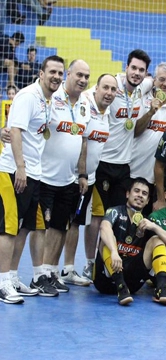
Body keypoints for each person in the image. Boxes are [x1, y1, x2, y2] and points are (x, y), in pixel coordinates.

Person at [0, 55, 64, 304]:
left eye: (60, 73)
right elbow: (14, 130)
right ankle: (3, 282)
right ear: (41, 73)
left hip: (35, 174)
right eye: (52, 72)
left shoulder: (48, 100)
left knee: (23, 229)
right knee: (7, 229)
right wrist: (21, 167)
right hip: (13, 172)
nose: (57, 77)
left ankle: (13, 277)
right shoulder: (27, 96)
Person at [84, 50, 153, 280]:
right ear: (126, 67)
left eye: (141, 70)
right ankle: (89, 263)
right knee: (97, 218)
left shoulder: (142, 90)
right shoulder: (112, 86)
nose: (136, 73)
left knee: (115, 219)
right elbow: (85, 95)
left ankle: (111, 263)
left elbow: (162, 81)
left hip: (124, 166)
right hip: (102, 163)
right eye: (133, 68)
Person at [26, 59, 90, 295]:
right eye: (78, 75)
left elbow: (83, 142)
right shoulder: (50, 98)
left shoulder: (86, 103)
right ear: (68, 75)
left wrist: (82, 173)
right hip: (43, 176)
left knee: (60, 228)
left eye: (86, 76)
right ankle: (37, 275)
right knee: (40, 228)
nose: (82, 80)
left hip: (69, 179)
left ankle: (50, 272)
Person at [60, 74, 118, 286]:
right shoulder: (84, 102)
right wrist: (81, 174)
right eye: (105, 88)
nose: (109, 93)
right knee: (66, 222)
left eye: (113, 89)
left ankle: (69, 270)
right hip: (74, 176)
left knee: (77, 222)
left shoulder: (108, 111)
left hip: (91, 176)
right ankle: (61, 268)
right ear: (96, 89)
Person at [94, 177, 166, 306]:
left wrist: (154, 227)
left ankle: (161, 288)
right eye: (136, 191)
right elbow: (104, 227)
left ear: (148, 200)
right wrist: (114, 252)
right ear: (128, 194)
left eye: (144, 194)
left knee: (157, 240)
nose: (140, 195)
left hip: (132, 284)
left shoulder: (148, 221)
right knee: (106, 240)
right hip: (105, 280)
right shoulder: (115, 211)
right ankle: (120, 287)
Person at [130, 62, 166, 216]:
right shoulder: (142, 99)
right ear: (154, 80)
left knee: (153, 226)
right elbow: (135, 132)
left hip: (164, 178)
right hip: (137, 171)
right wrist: (150, 112)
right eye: (162, 79)